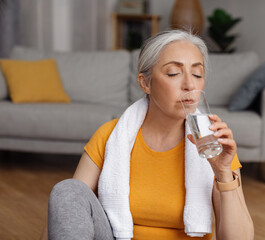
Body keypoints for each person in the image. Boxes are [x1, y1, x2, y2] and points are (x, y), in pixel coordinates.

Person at [41, 30, 254, 240]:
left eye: (197, 74)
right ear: (145, 83)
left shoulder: (214, 144)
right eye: (173, 73)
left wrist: (224, 172)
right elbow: (68, 210)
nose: (190, 85)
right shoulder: (111, 135)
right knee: (67, 190)